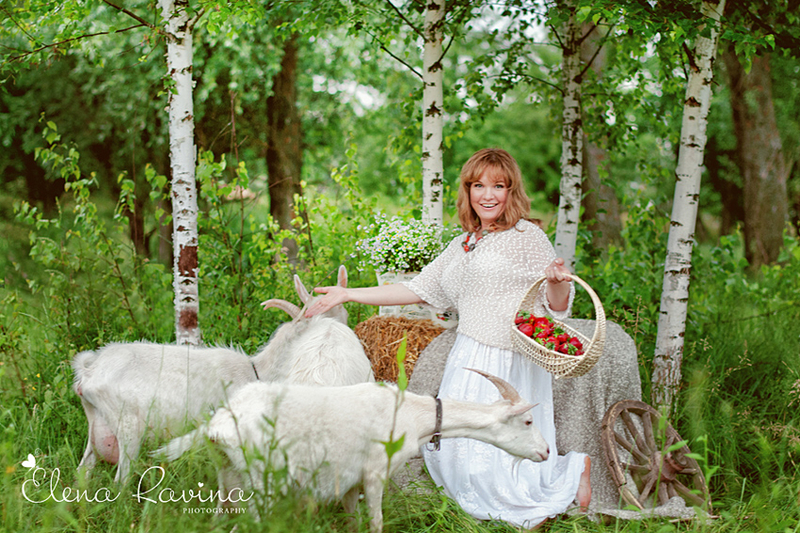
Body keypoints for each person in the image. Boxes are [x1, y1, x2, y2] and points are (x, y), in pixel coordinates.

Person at [304, 148, 591, 529]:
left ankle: (569, 472)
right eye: (478, 186)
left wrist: (556, 281)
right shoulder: (463, 243)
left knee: (500, 455)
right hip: (467, 353)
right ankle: (490, 506)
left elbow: (557, 305)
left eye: (498, 186)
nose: (487, 195)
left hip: (507, 356)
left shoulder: (527, 236)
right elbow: (416, 288)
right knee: (454, 458)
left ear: (511, 191)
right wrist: (348, 294)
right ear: (467, 191)